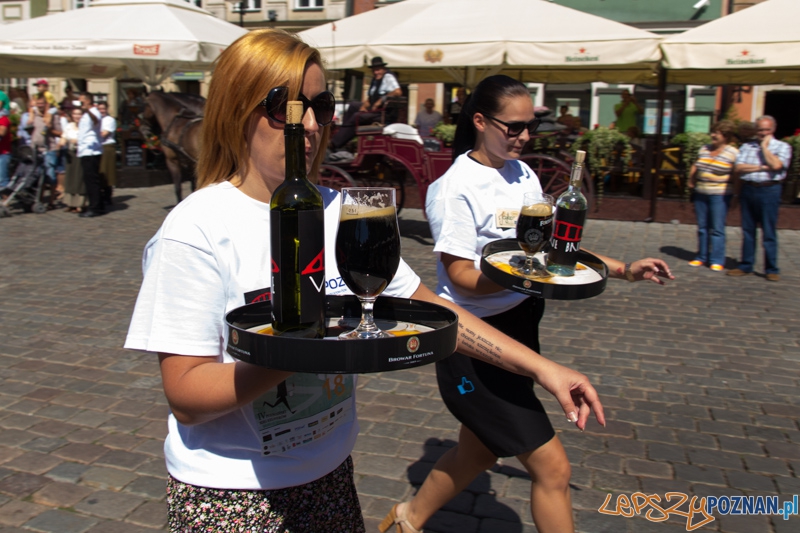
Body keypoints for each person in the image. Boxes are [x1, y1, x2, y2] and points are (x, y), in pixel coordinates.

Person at [124, 29, 604, 532]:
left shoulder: (344, 212)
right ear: (235, 109)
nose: (308, 124)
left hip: (330, 475)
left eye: (321, 106)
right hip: (234, 492)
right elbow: (187, 394)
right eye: (283, 107)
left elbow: (432, 309)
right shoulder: (196, 228)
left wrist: (542, 370)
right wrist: (314, 346)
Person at [383, 75, 673, 533]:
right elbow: (460, 276)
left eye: (529, 126)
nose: (524, 136)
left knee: (478, 450)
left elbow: (555, 247)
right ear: (480, 121)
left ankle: (407, 518)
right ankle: (408, 518)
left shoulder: (524, 173)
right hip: (472, 343)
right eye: (512, 127)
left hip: (520, 325)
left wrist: (623, 268)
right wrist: (525, 273)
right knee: (553, 469)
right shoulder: (454, 186)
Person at [727, 115, 792, 282]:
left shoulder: (782, 147)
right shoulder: (747, 146)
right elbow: (739, 168)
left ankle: (771, 268)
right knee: (748, 230)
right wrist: (763, 166)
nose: (763, 133)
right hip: (749, 189)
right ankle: (745, 265)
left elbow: (777, 165)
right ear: (756, 130)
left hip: (769, 190)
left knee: (768, 231)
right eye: (760, 129)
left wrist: (764, 148)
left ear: (773, 130)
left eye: (766, 129)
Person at [687, 120, 739, 272]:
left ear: (726, 136)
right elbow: (696, 164)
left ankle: (716, 259)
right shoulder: (705, 148)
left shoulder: (733, 152)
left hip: (720, 194)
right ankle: (701, 256)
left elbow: (736, 174)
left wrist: (725, 183)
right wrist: (691, 179)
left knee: (717, 228)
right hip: (701, 192)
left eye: (717, 133)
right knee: (702, 227)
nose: (713, 135)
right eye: (713, 132)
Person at [76, 92, 105, 217]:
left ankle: (95, 207)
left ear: (87, 101)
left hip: (91, 151)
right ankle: (97, 204)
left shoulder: (94, 112)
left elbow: (96, 121)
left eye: (82, 101)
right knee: (90, 180)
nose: (80, 104)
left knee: (92, 180)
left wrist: (88, 109)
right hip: (85, 150)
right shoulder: (86, 114)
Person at [61, 105, 87, 212]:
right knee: (70, 178)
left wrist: (76, 141)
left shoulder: (85, 126)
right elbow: (64, 137)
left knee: (79, 178)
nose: (77, 116)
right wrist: (61, 143)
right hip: (70, 154)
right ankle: (70, 203)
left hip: (81, 153)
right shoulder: (69, 126)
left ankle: (80, 204)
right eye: (75, 114)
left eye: (79, 114)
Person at [97, 101, 117, 207]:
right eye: (99, 109)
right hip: (98, 147)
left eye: (103, 109)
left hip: (107, 147)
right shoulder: (96, 120)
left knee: (107, 172)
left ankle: (107, 196)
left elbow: (104, 134)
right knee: (100, 172)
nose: (101, 111)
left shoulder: (110, 120)